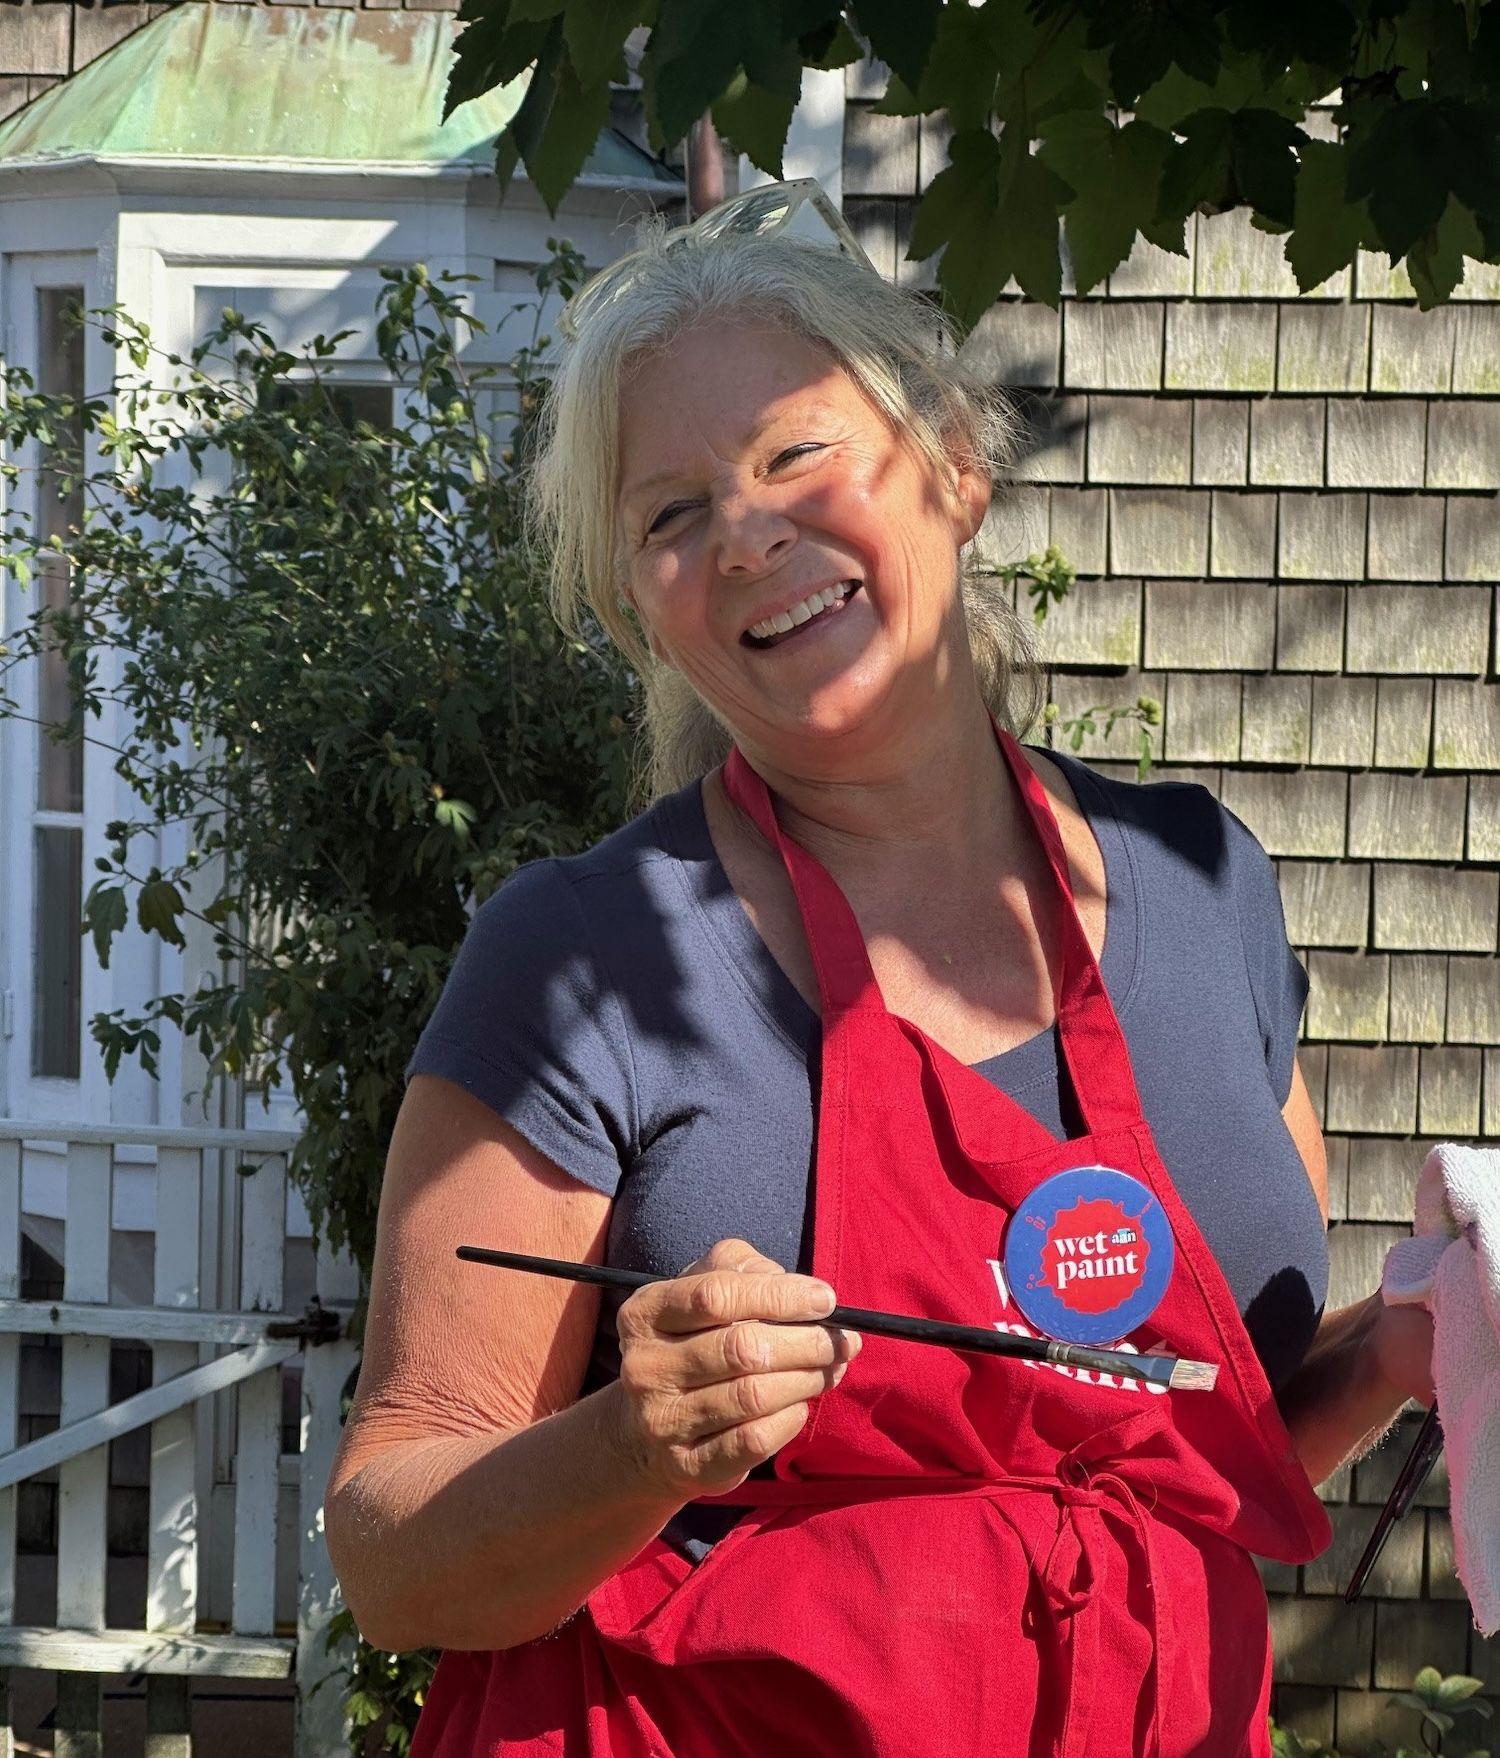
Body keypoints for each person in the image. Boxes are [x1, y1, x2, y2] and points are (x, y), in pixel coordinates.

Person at [323, 182, 1435, 1757]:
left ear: (957, 471)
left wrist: (1388, 1349)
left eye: (794, 450)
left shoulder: (1206, 887)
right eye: (670, 513)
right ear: (644, 608)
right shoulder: (584, 954)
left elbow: (1183, 1447)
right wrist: (633, 1448)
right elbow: (391, 1549)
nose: (750, 530)